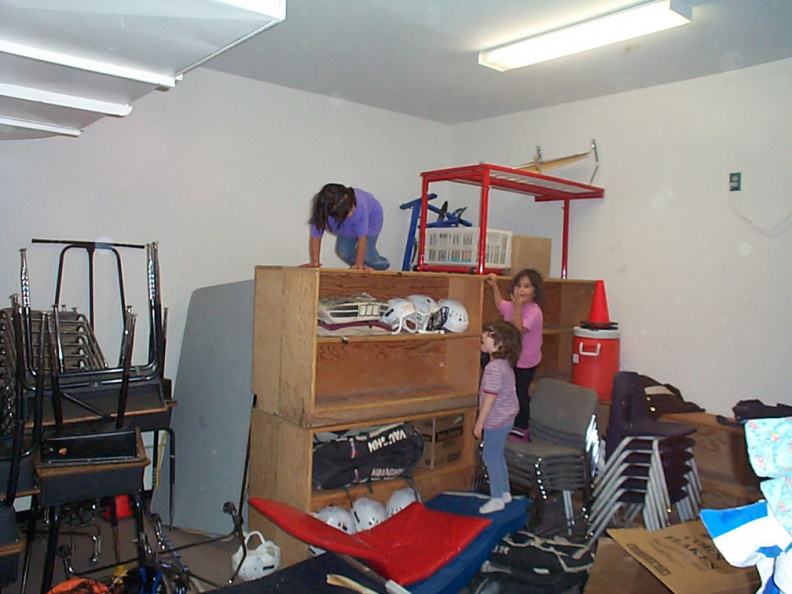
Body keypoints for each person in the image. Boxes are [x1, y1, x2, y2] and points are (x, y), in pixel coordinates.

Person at [485, 268, 544, 442]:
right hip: (512, 360)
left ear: (535, 292)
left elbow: (517, 332)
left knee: (520, 393)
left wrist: (517, 309)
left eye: (527, 286)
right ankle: (509, 423)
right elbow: (500, 304)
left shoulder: (534, 312)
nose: (521, 290)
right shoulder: (511, 306)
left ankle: (522, 428)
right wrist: (494, 286)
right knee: (509, 392)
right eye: (518, 286)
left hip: (527, 361)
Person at [474, 319, 522, 514]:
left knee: (490, 457)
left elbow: (490, 398)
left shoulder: (493, 368)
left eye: (489, 335)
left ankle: (496, 498)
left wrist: (480, 422)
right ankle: (504, 492)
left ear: (500, 344)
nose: (484, 337)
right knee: (498, 455)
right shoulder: (504, 365)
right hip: (507, 417)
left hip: (496, 419)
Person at [300, 183, 390, 271]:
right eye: (348, 212)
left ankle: (382, 266)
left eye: (352, 208)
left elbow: (362, 238)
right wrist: (315, 262)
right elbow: (316, 237)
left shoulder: (359, 208)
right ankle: (366, 267)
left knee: (367, 255)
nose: (352, 212)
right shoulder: (321, 213)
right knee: (344, 252)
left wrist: (359, 265)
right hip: (345, 222)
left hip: (371, 218)